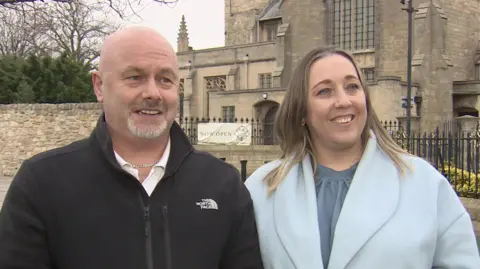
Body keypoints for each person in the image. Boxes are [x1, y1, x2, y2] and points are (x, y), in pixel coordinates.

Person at [0, 26, 264, 269]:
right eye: (135, 77)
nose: (153, 93)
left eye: (165, 79)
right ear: (99, 86)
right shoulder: (41, 183)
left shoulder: (223, 184)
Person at [245, 46, 480, 269]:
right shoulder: (263, 188)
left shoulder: (424, 183)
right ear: (302, 110)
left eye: (352, 87)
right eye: (324, 91)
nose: (344, 101)